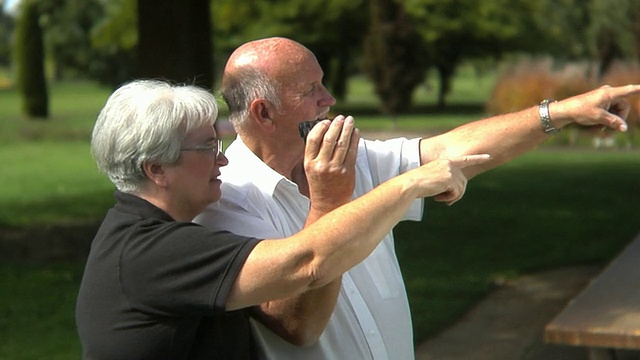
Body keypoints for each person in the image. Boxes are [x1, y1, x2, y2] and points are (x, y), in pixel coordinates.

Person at [193, 36, 640, 360]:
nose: (329, 99)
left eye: (323, 84)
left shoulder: (352, 160)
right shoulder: (224, 203)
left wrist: (561, 112)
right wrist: (330, 204)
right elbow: (297, 326)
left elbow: (450, 150)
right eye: (310, 91)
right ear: (264, 113)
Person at [75, 79, 488, 360]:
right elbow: (307, 264)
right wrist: (407, 185)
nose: (222, 158)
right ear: (156, 170)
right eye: (206, 148)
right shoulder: (152, 252)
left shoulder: (149, 236)